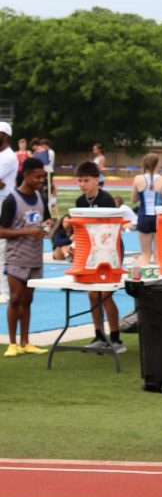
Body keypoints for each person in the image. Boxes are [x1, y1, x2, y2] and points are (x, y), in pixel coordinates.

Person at [62, 161, 127, 354]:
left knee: (105, 294)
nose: (82, 184)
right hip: (90, 252)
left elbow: (112, 230)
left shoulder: (107, 200)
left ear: (97, 180)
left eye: (86, 180)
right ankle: (99, 335)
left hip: (110, 251)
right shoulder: (79, 202)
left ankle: (115, 338)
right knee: (92, 294)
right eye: (80, 180)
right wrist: (73, 243)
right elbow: (80, 232)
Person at [0, 156, 51, 356]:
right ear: (27, 175)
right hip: (16, 257)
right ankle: (12, 343)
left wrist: (48, 227)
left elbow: (47, 220)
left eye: (43, 177)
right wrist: (28, 232)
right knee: (14, 299)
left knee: (28, 300)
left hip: (35, 257)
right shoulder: (11, 200)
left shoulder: (41, 198)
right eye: (38, 177)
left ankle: (25, 342)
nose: (41, 181)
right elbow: (1, 231)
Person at [131, 153, 162, 263]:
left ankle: (144, 278)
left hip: (143, 218)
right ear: (157, 164)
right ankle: (159, 279)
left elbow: (133, 199)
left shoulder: (138, 179)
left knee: (145, 253)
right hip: (159, 219)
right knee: (159, 253)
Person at [0, 121, 19, 303]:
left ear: (4, 135)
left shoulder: (8, 157)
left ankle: (5, 292)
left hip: (4, 202)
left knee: (2, 249)